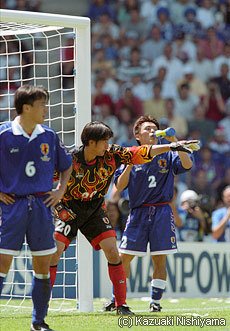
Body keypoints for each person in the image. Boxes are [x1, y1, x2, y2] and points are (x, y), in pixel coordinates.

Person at [49, 120, 197, 315]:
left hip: (95, 208)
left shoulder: (112, 153)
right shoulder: (70, 159)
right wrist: (56, 205)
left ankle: (121, 304)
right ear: (91, 142)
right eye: (103, 141)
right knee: (54, 252)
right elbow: (44, 180)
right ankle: (42, 303)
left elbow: (140, 153)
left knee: (112, 251)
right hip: (70, 207)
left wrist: (171, 145)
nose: (107, 145)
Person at [104, 116, 200, 313]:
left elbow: (188, 165)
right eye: (147, 129)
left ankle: (155, 302)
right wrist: (131, 161)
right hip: (138, 212)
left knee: (159, 259)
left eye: (155, 129)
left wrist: (175, 143)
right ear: (137, 135)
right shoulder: (128, 154)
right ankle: (117, 299)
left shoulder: (169, 153)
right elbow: (117, 189)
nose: (152, 132)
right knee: (124, 258)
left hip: (162, 211)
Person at [0, 85, 72, 331]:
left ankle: (38, 322)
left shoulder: (49, 135)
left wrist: (61, 190)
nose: (46, 109)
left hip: (42, 206)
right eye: (42, 104)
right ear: (26, 107)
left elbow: (66, 165)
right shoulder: (3, 134)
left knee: (43, 264)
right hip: (11, 207)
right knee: (2, 263)